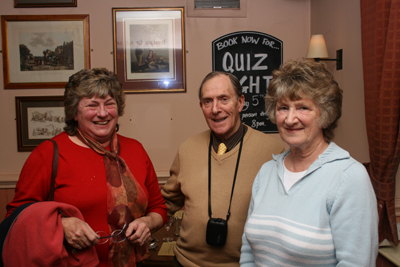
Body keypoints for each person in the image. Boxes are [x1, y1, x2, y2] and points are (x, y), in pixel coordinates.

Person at [6, 68, 167, 267]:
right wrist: (61, 225)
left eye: (109, 104)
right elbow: (17, 216)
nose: (102, 113)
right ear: (74, 112)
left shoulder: (135, 149)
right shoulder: (48, 154)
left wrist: (147, 223)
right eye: (92, 105)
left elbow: (158, 208)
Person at [240, 59, 379, 266]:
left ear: (325, 113)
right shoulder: (266, 172)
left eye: (303, 107)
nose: (290, 119)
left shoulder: (349, 177)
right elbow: (248, 253)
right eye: (283, 108)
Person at [161, 71, 285, 267]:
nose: (215, 109)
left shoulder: (273, 152)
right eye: (208, 101)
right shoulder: (187, 149)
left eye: (224, 99)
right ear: (201, 107)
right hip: (186, 263)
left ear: (240, 102)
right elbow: (165, 203)